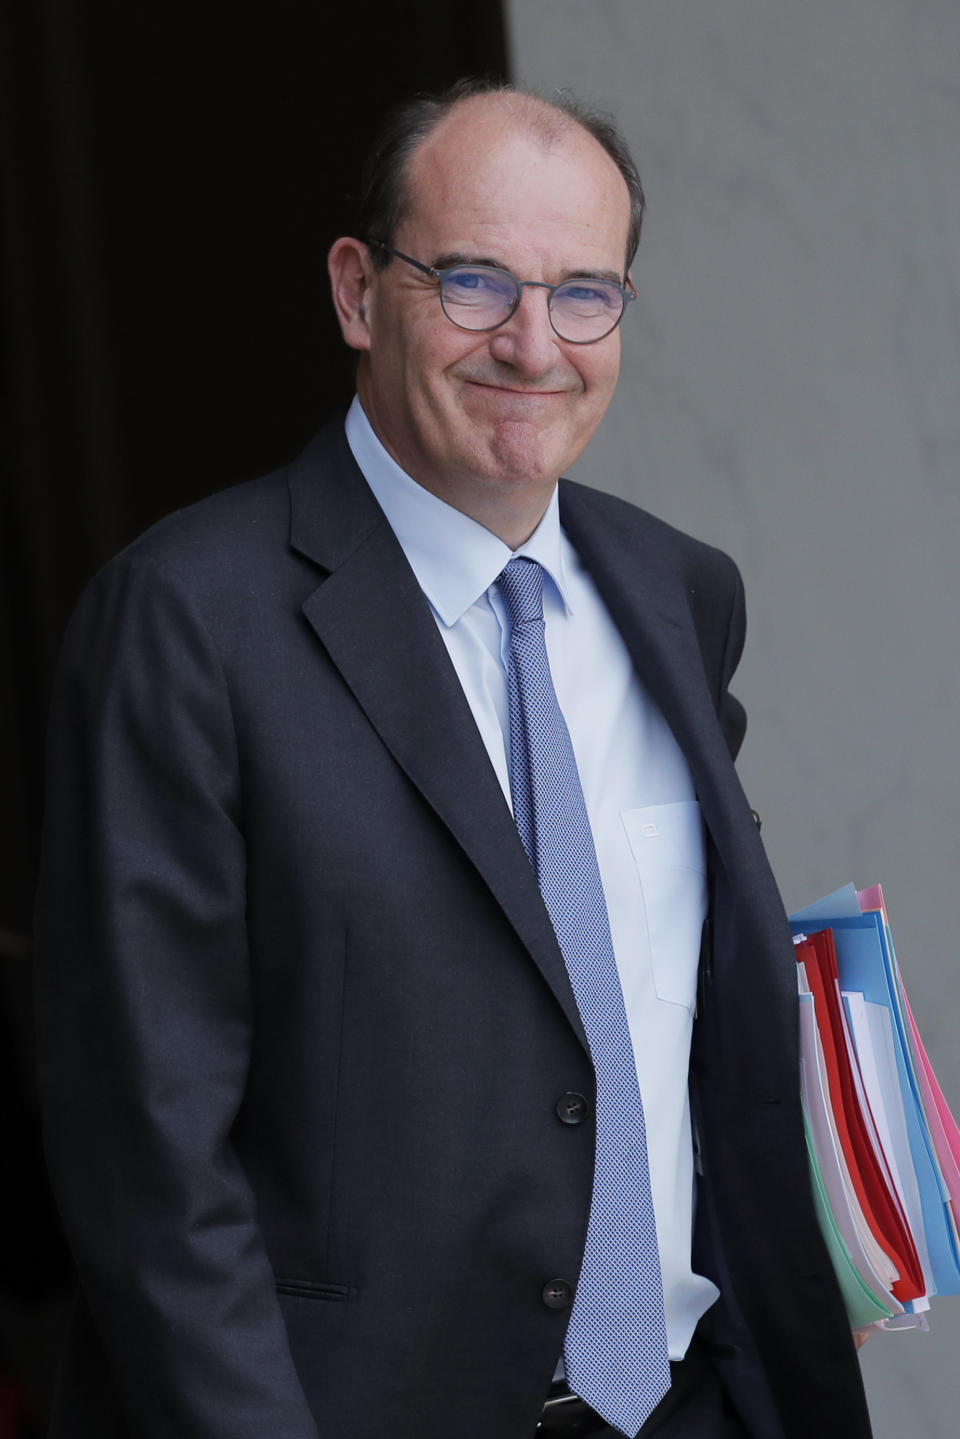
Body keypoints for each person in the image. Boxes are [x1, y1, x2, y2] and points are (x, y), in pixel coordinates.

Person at [34, 80, 873, 1439]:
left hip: (686, 1403)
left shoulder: (678, 594)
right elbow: (149, 1152)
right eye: (475, 281)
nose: (534, 344)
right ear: (360, 293)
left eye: (583, 292)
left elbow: (678, 1022)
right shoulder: (188, 619)